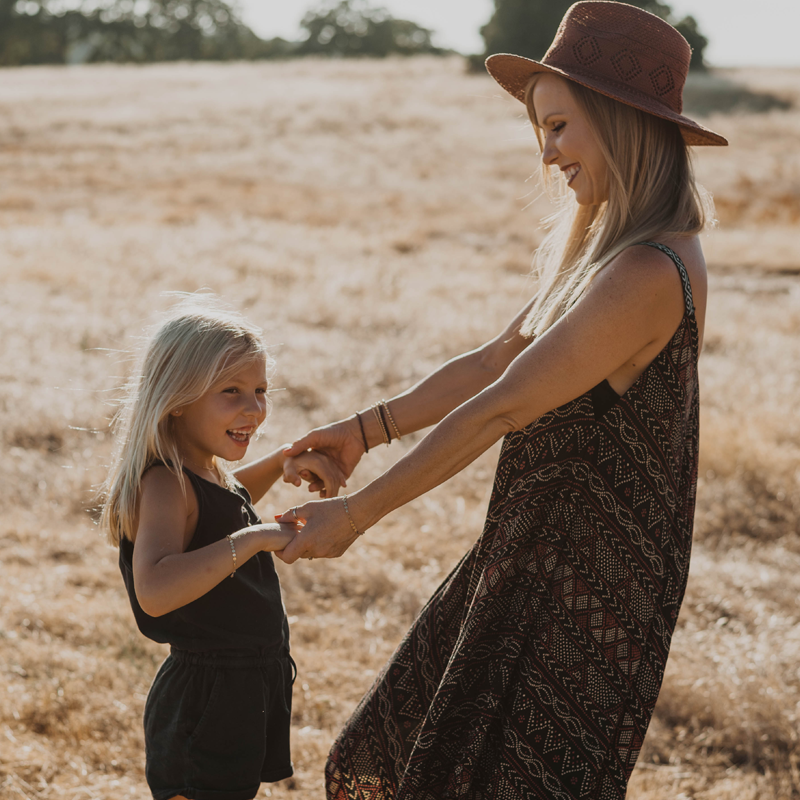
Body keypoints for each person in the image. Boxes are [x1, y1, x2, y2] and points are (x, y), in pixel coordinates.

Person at [278, 2, 728, 798]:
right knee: (418, 750)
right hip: (531, 555)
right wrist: (359, 432)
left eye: (559, 126)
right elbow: (493, 362)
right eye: (540, 132)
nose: (547, 154)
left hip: (580, 596)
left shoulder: (649, 271)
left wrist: (356, 516)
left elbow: (503, 406)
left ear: (622, 123)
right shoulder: (610, 254)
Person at [99, 296, 342, 800]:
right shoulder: (166, 481)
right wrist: (254, 539)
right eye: (231, 391)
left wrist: (281, 461)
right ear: (179, 397)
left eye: (259, 390)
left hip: (241, 688)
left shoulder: (205, 470)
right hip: (204, 699)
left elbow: (228, 502)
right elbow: (155, 588)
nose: (253, 408)